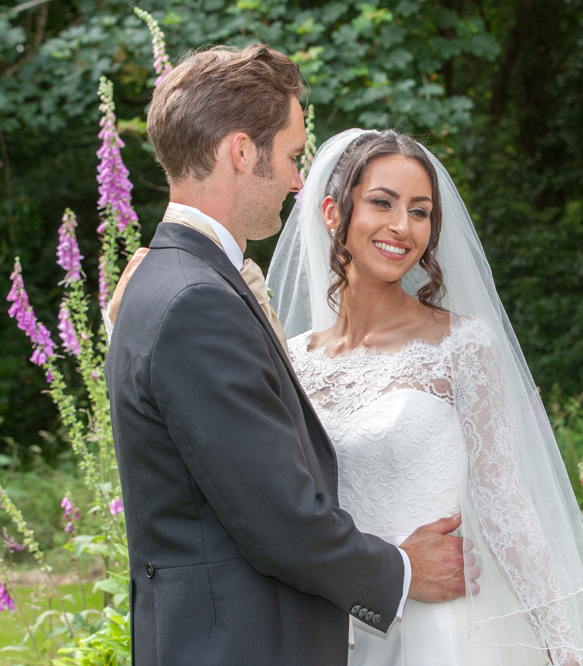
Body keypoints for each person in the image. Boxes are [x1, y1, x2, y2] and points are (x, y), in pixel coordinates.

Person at [105, 45, 470, 666]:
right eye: (293, 156)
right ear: (241, 152)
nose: (301, 179)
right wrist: (402, 572)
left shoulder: (159, 281)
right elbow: (279, 518)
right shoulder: (197, 299)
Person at [267, 129, 583, 666]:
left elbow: (505, 503)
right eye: (382, 203)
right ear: (333, 212)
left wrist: (562, 643)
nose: (401, 227)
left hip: (444, 633)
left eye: (419, 211)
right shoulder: (292, 360)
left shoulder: (461, 345)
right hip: (334, 627)